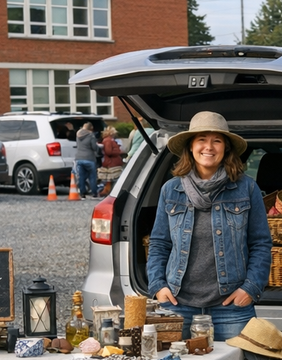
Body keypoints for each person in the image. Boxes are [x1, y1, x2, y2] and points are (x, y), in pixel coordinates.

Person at [147, 110, 272, 341]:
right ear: (191, 146)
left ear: (226, 148)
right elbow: (159, 244)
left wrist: (250, 288)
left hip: (231, 306)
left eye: (217, 141)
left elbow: (261, 244)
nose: (209, 147)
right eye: (202, 139)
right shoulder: (171, 190)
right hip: (177, 303)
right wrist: (158, 287)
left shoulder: (246, 188)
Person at [97, 125, 123, 197]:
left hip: (111, 162)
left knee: (111, 180)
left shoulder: (108, 140)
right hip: (112, 163)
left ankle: (107, 192)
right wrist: (117, 151)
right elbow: (108, 152)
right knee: (113, 179)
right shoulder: (108, 140)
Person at [74, 122, 99, 198]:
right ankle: (94, 193)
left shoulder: (78, 134)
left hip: (79, 158)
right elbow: (94, 147)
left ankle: (82, 193)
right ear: (91, 128)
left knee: (81, 177)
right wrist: (98, 148)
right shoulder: (91, 135)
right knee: (92, 176)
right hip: (89, 158)